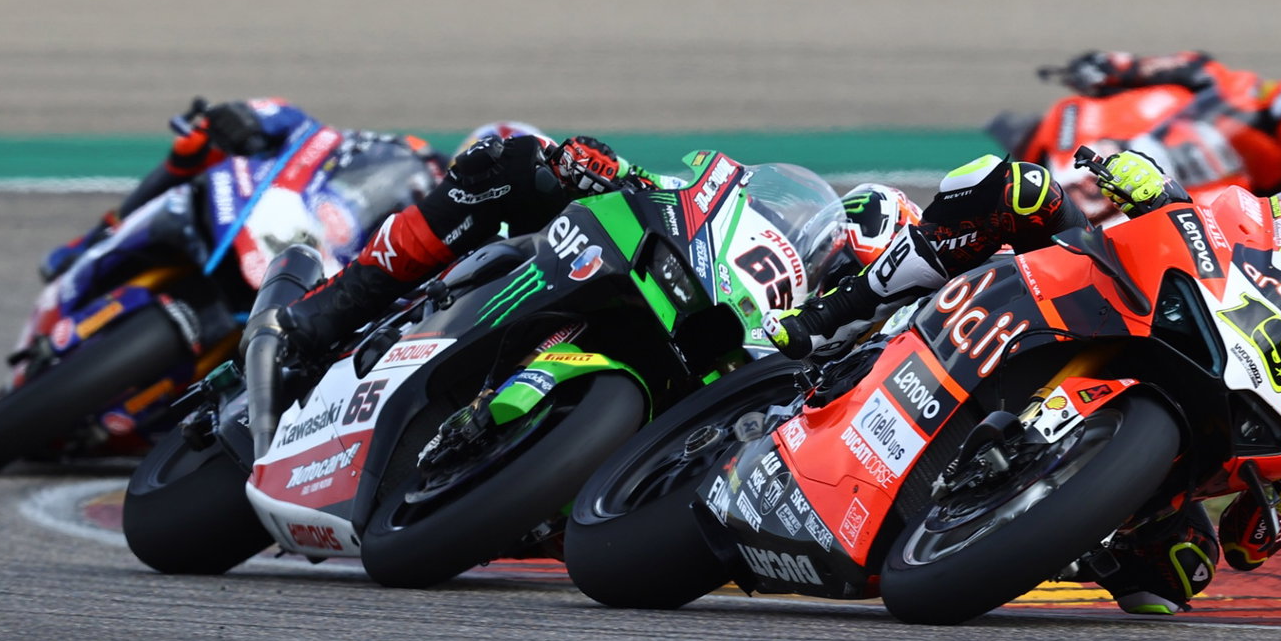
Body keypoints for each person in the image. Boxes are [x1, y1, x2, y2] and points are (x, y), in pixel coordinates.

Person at [770, 149, 1281, 616]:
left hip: (1183, 441)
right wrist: (1154, 185)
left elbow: (1246, 545)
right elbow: (1220, 222)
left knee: (1181, 574)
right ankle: (839, 307)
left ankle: (1045, 524)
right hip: (1110, 298)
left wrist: (1279, 510)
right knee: (1011, 187)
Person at [250, 127, 920, 368]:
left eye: (850, 273)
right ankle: (331, 312)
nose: (836, 278)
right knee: (510, 162)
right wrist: (604, 168)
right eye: (838, 261)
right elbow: (675, 193)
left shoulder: (871, 354)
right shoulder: (754, 227)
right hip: (660, 286)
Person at [39, 98, 442, 282]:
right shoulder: (370, 147)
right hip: (279, 215)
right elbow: (288, 118)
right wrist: (243, 119)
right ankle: (97, 237)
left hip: (327, 272)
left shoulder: (446, 236)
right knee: (197, 143)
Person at [1047, 50, 1281, 224]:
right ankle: (1094, 174)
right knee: (1178, 100)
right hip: (1227, 188)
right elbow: (1217, 79)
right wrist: (1124, 68)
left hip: (1265, 250)